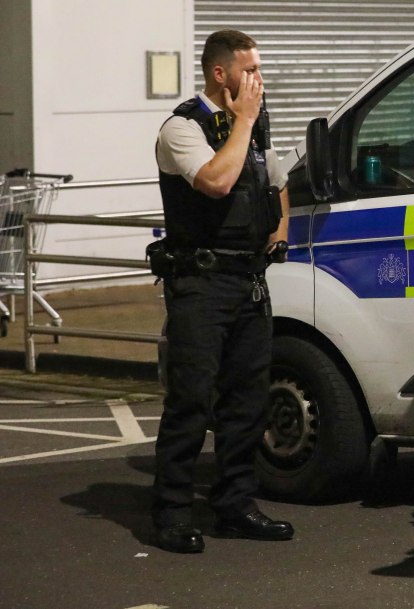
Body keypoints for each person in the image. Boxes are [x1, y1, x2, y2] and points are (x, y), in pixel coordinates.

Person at [151, 29, 293, 554]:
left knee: (247, 402)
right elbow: (216, 180)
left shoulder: (254, 127)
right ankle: (170, 512)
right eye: (250, 69)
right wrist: (245, 121)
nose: (259, 78)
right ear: (220, 74)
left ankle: (236, 505)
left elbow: (275, 179)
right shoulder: (182, 127)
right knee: (191, 401)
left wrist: (280, 233)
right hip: (200, 283)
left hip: (248, 281)